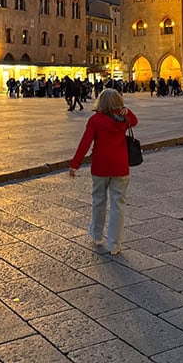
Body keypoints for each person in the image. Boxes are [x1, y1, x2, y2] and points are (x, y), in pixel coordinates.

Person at [69, 88, 138, 256]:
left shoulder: (95, 120)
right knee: (118, 205)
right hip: (120, 167)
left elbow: (85, 142)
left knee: (98, 201)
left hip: (100, 167)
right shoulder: (123, 119)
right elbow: (134, 121)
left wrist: (75, 164)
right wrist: (126, 111)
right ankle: (115, 244)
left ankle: (96, 234)